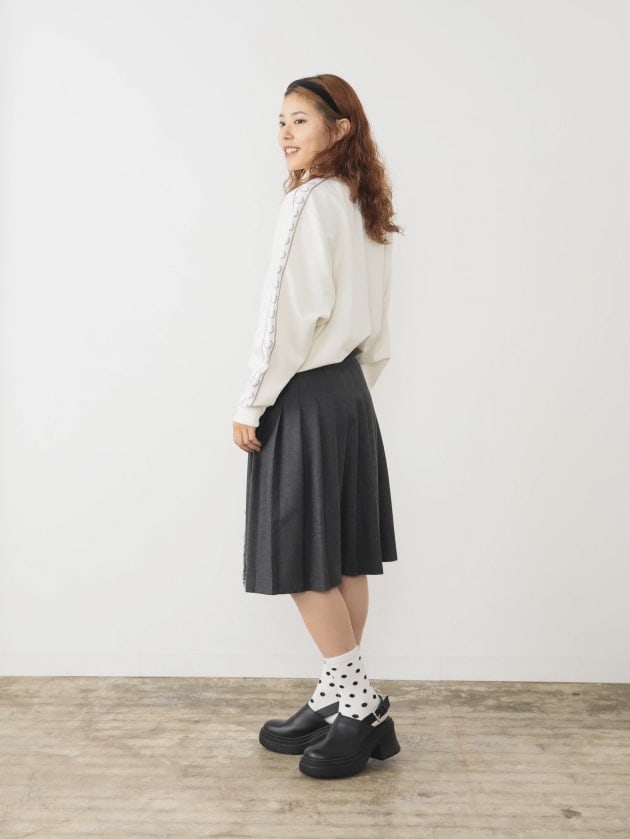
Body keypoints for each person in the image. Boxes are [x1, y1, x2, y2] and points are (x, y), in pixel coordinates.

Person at [232, 74, 401, 779]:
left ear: (340, 128)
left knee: (306, 558)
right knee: (343, 555)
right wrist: (352, 394)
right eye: (280, 120)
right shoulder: (364, 203)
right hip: (349, 394)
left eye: (299, 119)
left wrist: (252, 401)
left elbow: (287, 315)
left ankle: (360, 705)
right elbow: (379, 325)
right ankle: (338, 696)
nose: (285, 132)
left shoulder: (308, 201)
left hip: (304, 390)